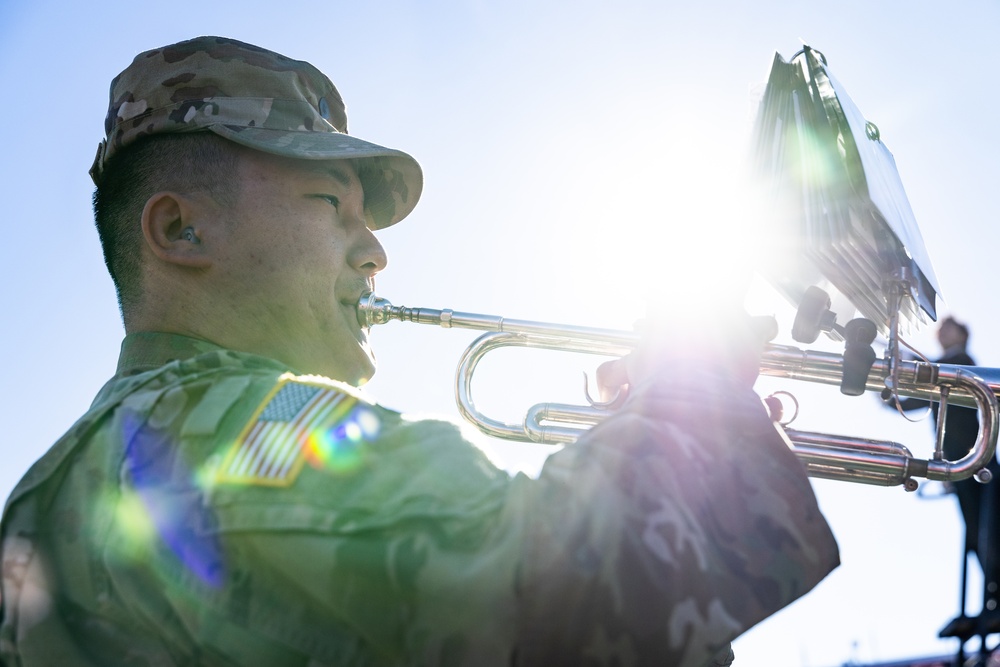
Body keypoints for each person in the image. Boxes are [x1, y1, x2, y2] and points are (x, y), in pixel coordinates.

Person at [0, 36, 839, 666]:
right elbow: (546, 599)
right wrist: (692, 399)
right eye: (332, 203)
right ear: (182, 229)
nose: (374, 254)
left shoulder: (57, 484)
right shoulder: (242, 424)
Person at [891, 318, 1000, 628]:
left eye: (948, 328)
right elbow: (911, 400)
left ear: (962, 335)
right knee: (978, 535)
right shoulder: (941, 371)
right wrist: (888, 390)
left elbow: (932, 371)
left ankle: (996, 600)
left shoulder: (961, 363)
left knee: (990, 534)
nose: (941, 332)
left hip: (979, 464)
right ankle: (992, 601)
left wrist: (903, 362)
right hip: (960, 467)